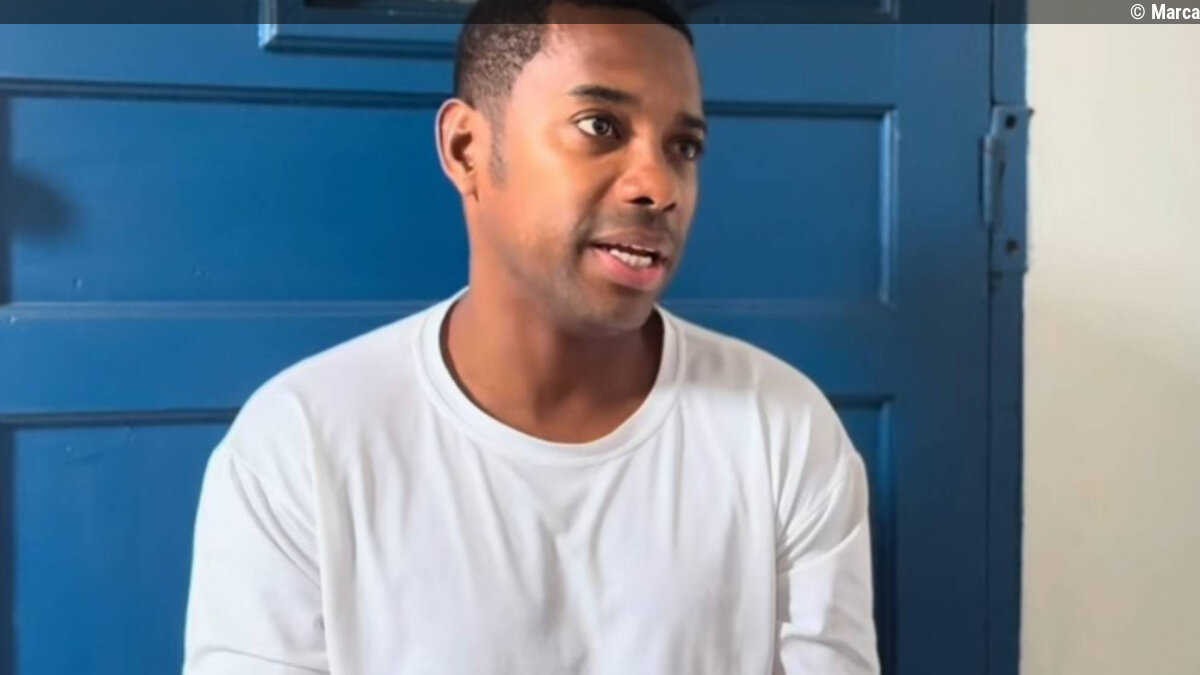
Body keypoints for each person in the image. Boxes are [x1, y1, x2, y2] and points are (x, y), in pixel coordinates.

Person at [182, 1, 880, 673]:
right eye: (600, 126)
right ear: (467, 149)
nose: (660, 186)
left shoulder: (784, 432)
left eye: (684, 147)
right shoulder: (298, 446)